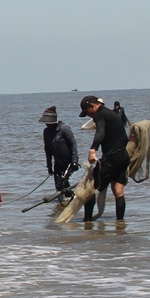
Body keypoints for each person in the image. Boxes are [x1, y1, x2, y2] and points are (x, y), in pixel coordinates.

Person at [80, 95, 130, 223]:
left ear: (93, 106)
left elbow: (100, 131)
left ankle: (87, 221)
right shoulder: (113, 114)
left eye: (87, 112)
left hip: (112, 158)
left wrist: (93, 149)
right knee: (118, 191)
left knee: (90, 186)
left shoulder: (99, 114)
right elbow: (124, 138)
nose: (89, 116)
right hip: (123, 157)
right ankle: (120, 223)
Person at [40, 106, 77, 192]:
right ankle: (62, 201)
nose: (47, 124)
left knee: (63, 182)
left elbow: (73, 144)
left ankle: (70, 198)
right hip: (57, 162)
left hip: (68, 161)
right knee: (58, 185)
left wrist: (75, 161)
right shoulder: (46, 132)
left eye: (49, 122)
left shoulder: (64, 129)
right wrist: (49, 165)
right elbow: (47, 149)